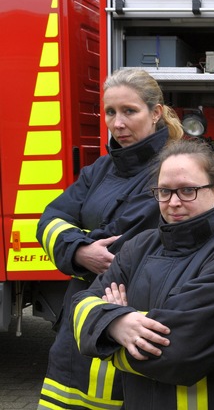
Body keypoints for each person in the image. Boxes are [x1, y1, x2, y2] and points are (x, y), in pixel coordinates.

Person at [37, 68, 184, 409]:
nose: (118, 124)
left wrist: (78, 237)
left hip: (134, 318)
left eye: (130, 111)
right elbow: (49, 219)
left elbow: (123, 239)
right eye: (110, 112)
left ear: (156, 113)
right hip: (82, 320)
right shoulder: (100, 169)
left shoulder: (173, 168)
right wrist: (80, 250)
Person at [70, 139, 214, 409]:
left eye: (188, 190)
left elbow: (177, 354)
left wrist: (109, 327)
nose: (173, 202)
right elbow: (81, 307)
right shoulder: (139, 246)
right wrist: (118, 323)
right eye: (164, 191)